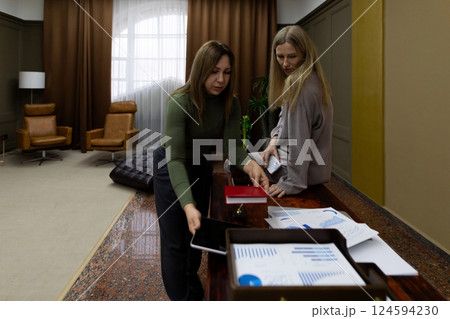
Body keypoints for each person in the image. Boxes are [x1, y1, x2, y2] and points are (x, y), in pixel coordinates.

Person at [153, 40, 269, 301]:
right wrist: (187, 204)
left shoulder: (231, 102)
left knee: (196, 231)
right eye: (214, 71)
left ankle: (190, 278)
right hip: (170, 163)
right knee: (175, 241)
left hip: (200, 163)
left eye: (227, 72)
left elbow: (233, 147)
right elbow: (175, 159)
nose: (221, 79)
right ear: (201, 69)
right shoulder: (179, 101)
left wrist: (252, 164)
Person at [260, 25, 333, 198]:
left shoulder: (299, 85)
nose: (285, 63)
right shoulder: (313, 78)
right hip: (310, 168)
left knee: (234, 164)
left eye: (292, 56)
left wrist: (292, 182)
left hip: (298, 172)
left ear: (305, 54)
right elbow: (284, 119)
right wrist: (273, 142)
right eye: (280, 56)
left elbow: (298, 140)